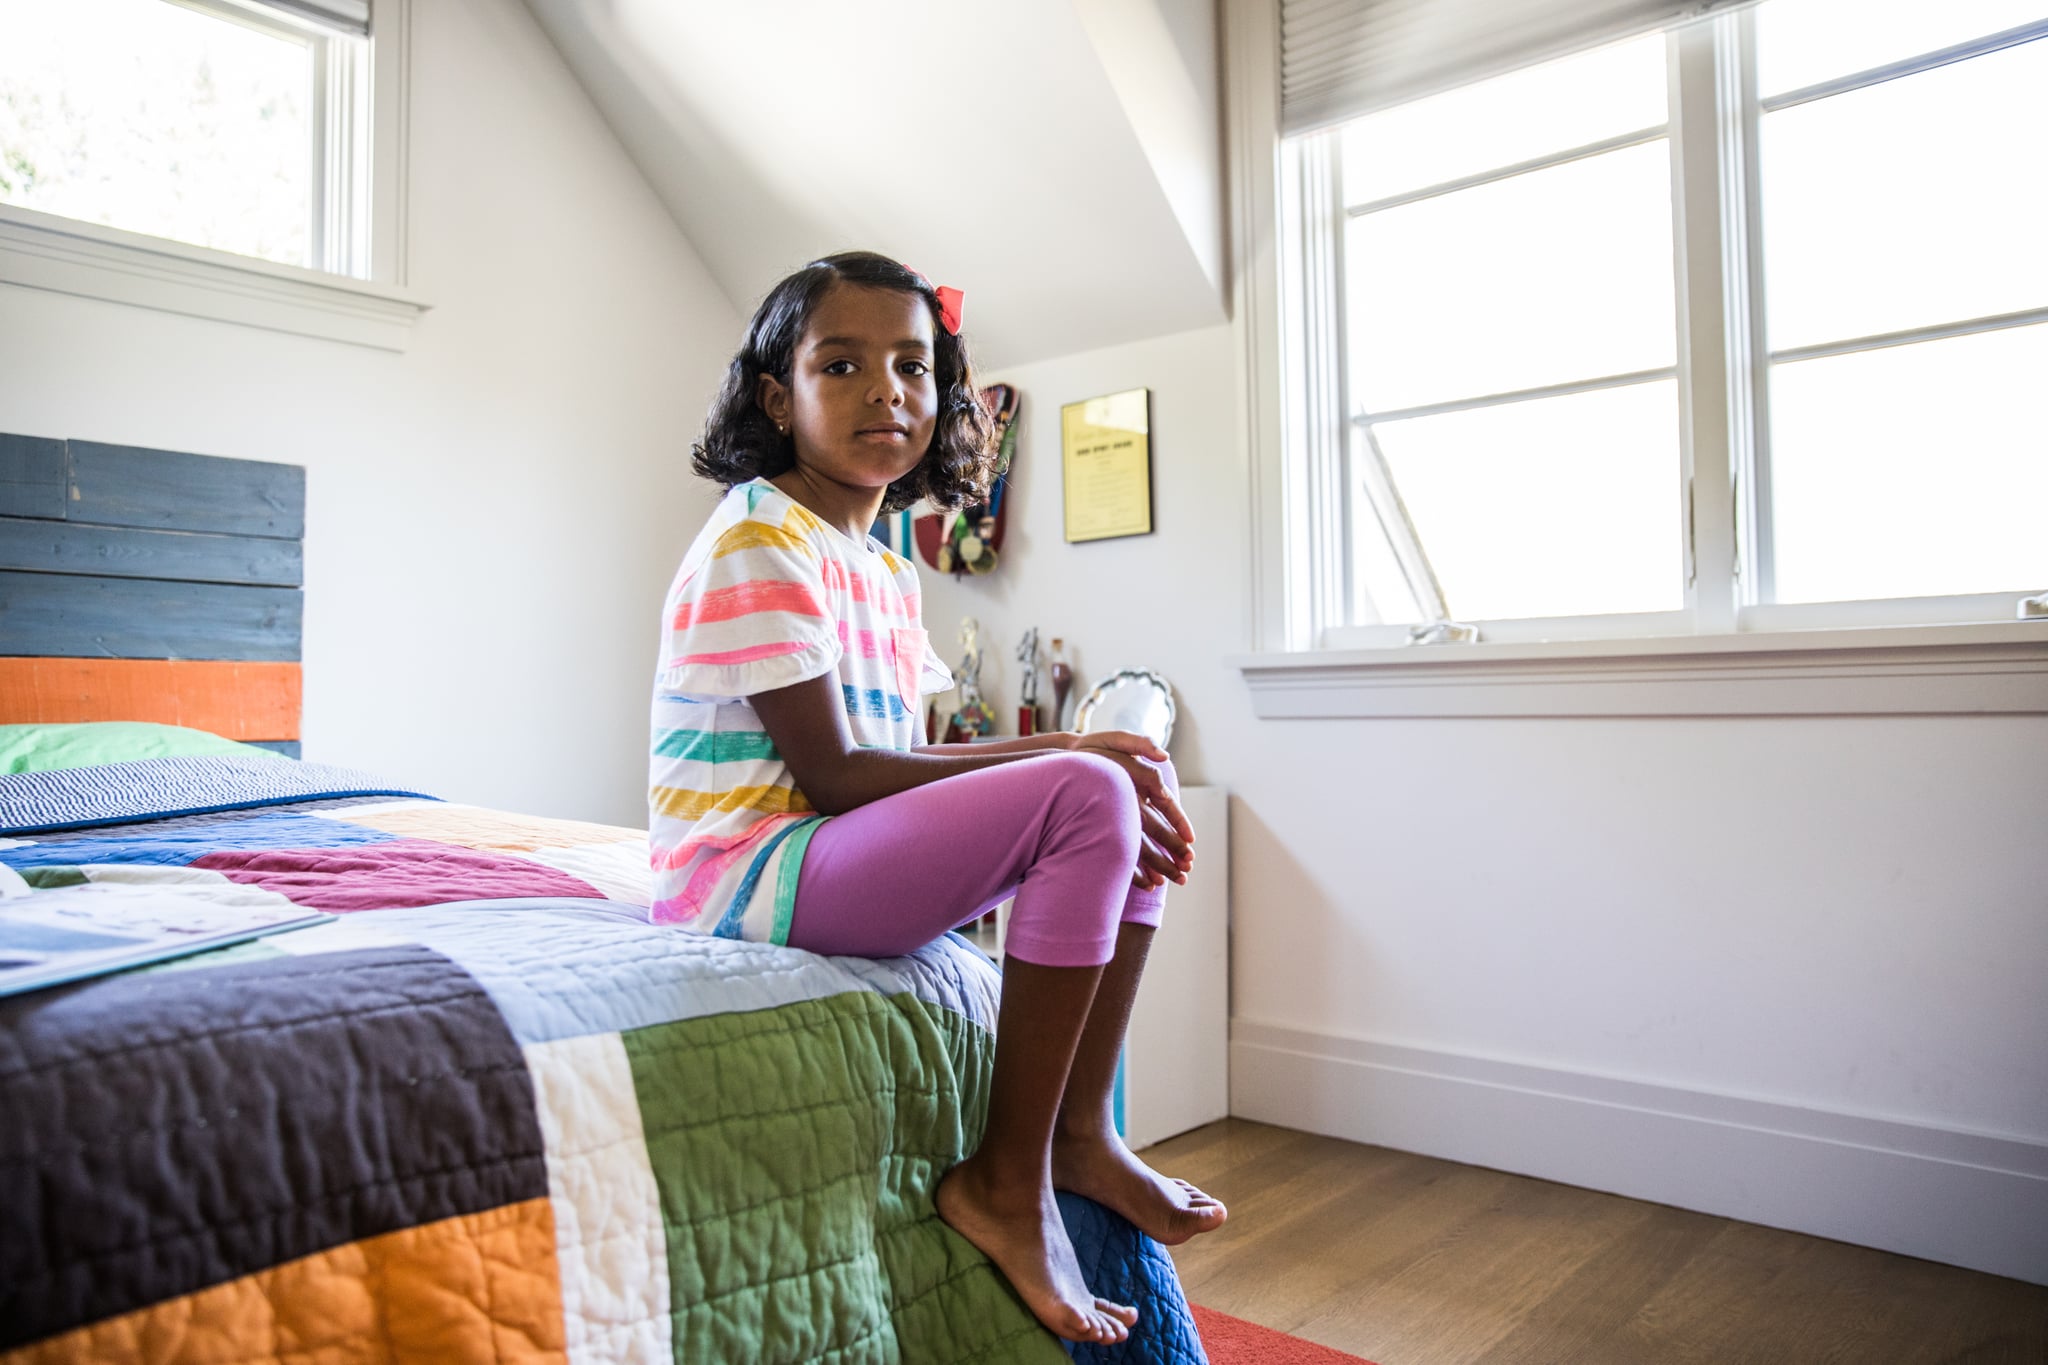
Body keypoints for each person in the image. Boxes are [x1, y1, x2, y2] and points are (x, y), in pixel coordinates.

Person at [650, 251, 1226, 1346]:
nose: (887, 391)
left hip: (833, 854)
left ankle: (1077, 1133)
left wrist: (1065, 792)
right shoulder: (754, 533)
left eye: (913, 367)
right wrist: (1067, 747)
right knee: (1090, 782)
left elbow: (904, 771)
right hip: (745, 875)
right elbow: (836, 777)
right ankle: (1007, 1181)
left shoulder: (884, 567)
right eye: (843, 364)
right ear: (779, 397)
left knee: (1123, 788)